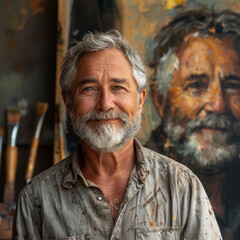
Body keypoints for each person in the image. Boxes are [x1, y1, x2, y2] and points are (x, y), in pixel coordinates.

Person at [13, 30, 222, 239]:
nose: (105, 104)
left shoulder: (182, 187)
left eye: (118, 87)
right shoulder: (36, 200)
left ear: (140, 101)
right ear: (69, 102)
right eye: (89, 89)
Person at [147, 7, 240, 239]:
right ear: (160, 99)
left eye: (233, 85)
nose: (218, 105)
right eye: (196, 86)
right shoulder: (131, 186)